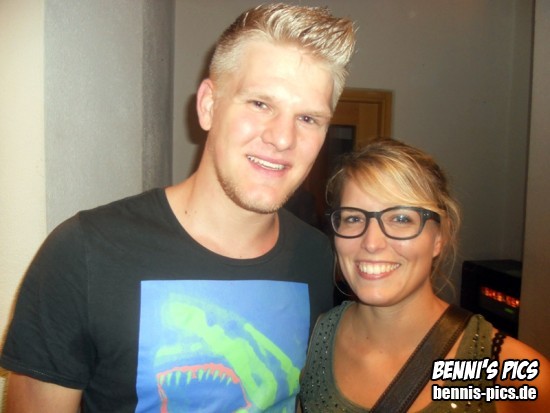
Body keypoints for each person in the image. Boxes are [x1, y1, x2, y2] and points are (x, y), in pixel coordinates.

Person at [0, 4, 356, 412]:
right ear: (208, 105)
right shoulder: (84, 252)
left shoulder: (320, 257)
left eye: (308, 118)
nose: (282, 138)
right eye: (260, 103)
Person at [299, 138, 550, 412]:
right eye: (353, 218)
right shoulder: (310, 339)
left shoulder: (514, 375)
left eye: (401, 218)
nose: (371, 243)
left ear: (439, 236)